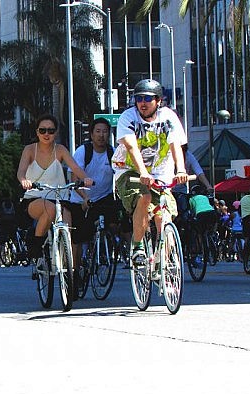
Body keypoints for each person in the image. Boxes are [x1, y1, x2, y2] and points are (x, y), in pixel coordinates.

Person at [112, 79, 188, 266]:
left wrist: (181, 169)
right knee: (144, 198)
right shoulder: (128, 117)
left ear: (159, 101)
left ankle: (162, 261)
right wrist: (143, 172)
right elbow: (131, 146)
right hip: (128, 169)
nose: (142, 103)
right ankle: (138, 247)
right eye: (138, 99)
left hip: (160, 172)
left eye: (147, 98)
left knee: (165, 215)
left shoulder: (168, 117)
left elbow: (175, 144)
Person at [16, 113, 93, 260]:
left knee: (68, 225)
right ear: (37, 132)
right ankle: (36, 243)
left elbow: (76, 169)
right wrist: (24, 180)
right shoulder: (30, 150)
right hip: (35, 197)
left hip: (60, 198)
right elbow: (21, 172)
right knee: (49, 209)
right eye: (42, 130)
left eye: (51, 131)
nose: (46, 134)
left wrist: (86, 179)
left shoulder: (61, 150)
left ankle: (69, 268)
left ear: (56, 133)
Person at [66, 118, 117, 284]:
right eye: (98, 131)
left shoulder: (113, 153)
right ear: (92, 134)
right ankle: (75, 273)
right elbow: (74, 178)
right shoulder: (83, 151)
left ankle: (109, 247)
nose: (101, 135)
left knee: (118, 220)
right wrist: (85, 197)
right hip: (80, 199)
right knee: (78, 238)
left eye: (105, 132)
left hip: (104, 197)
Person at [0, 196, 18, 267]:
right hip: (12, 224)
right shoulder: (13, 202)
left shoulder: (0, 202)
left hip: (3, 225)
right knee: (15, 240)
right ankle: (18, 256)